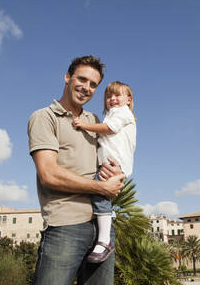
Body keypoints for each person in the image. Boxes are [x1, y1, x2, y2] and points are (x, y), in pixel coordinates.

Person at [28, 56, 125, 285]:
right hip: (65, 227)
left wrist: (116, 174)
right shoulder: (44, 117)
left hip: (103, 229)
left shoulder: (93, 120)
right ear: (67, 77)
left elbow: (110, 156)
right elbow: (48, 173)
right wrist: (101, 187)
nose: (86, 88)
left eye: (93, 84)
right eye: (82, 79)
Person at [72, 81, 136, 263]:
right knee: (101, 198)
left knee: (100, 196)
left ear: (128, 99)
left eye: (118, 95)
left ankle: (104, 239)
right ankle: (102, 235)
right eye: (109, 96)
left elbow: (108, 129)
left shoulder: (122, 113)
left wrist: (83, 126)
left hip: (112, 163)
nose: (112, 99)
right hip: (111, 163)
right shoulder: (112, 114)